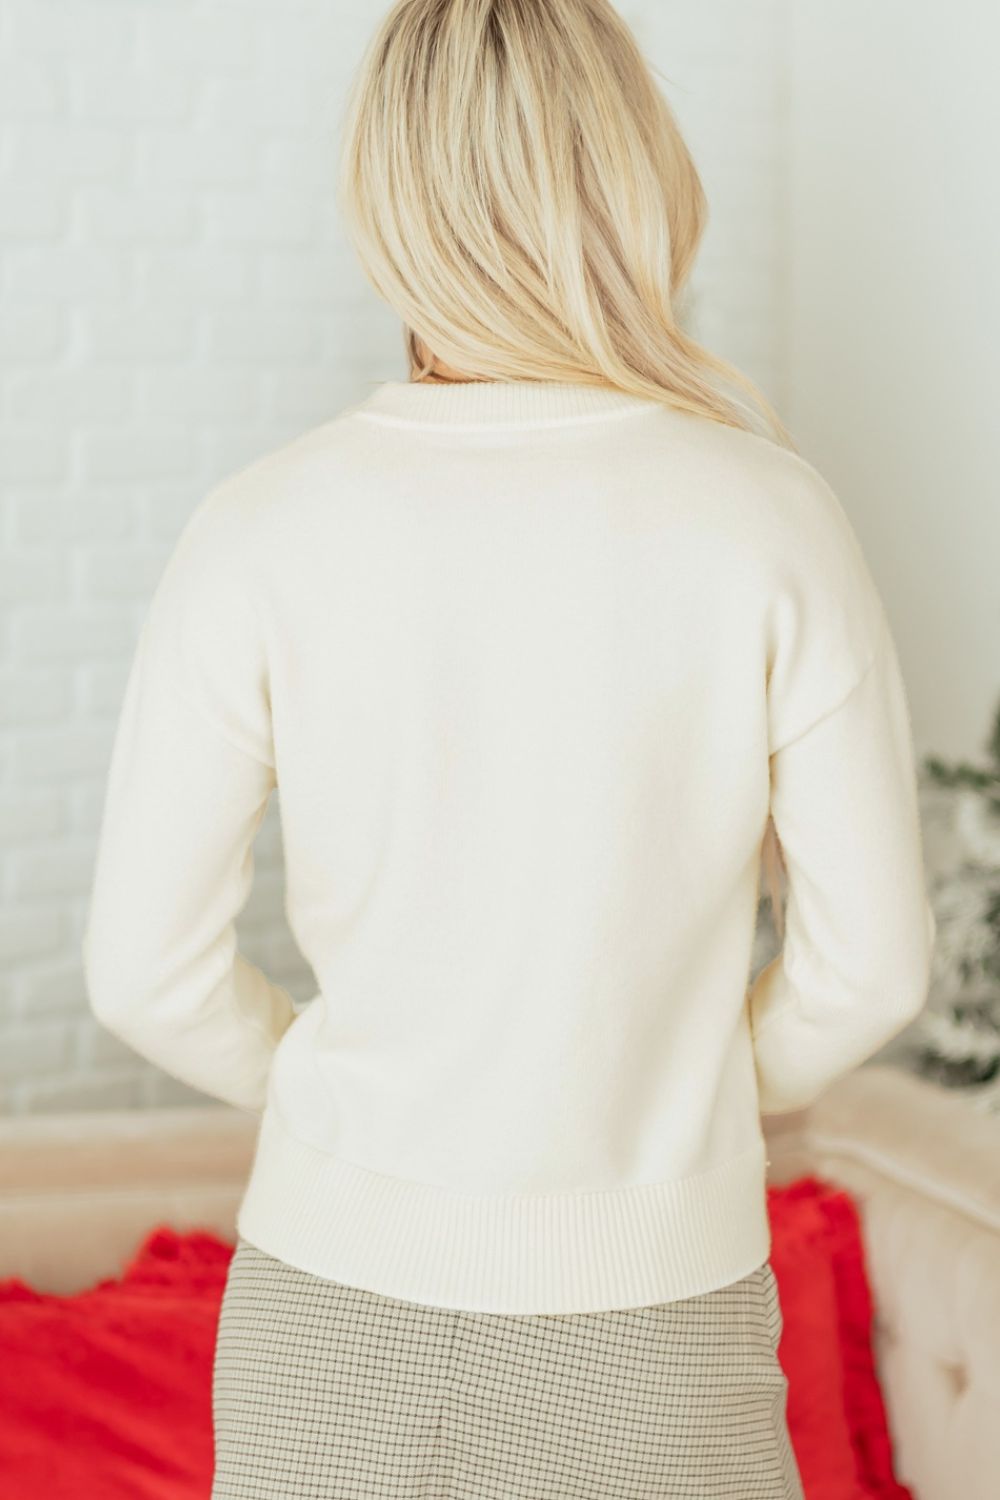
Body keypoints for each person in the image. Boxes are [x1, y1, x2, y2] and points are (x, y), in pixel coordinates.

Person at [82, 1, 936, 1496]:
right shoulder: (769, 516)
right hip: (662, 1328)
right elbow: (871, 971)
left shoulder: (260, 528)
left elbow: (144, 974)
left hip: (325, 1332)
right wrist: (691, 1090)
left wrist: (328, 1090)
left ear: (383, 204)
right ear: (637, 174)